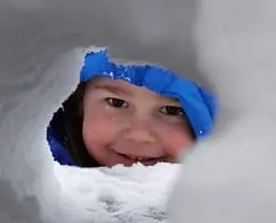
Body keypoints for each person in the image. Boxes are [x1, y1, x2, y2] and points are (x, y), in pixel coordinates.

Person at [47, 49, 218, 167]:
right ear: (80, 104)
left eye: (171, 110)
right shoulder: (33, 189)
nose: (139, 135)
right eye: (116, 103)